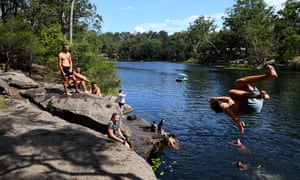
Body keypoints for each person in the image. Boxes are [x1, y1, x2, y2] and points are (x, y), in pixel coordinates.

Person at [208, 65, 278, 134]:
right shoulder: (224, 107)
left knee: (240, 82)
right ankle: (259, 95)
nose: (220, 101)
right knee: (231, 92)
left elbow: (227, 98)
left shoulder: (230, 102)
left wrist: (216, 98)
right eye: (215, 103)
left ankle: (268, 77)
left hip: (254, 104)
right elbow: (233, 116)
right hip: (251, 104)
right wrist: (238, 123)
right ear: (218, 104)